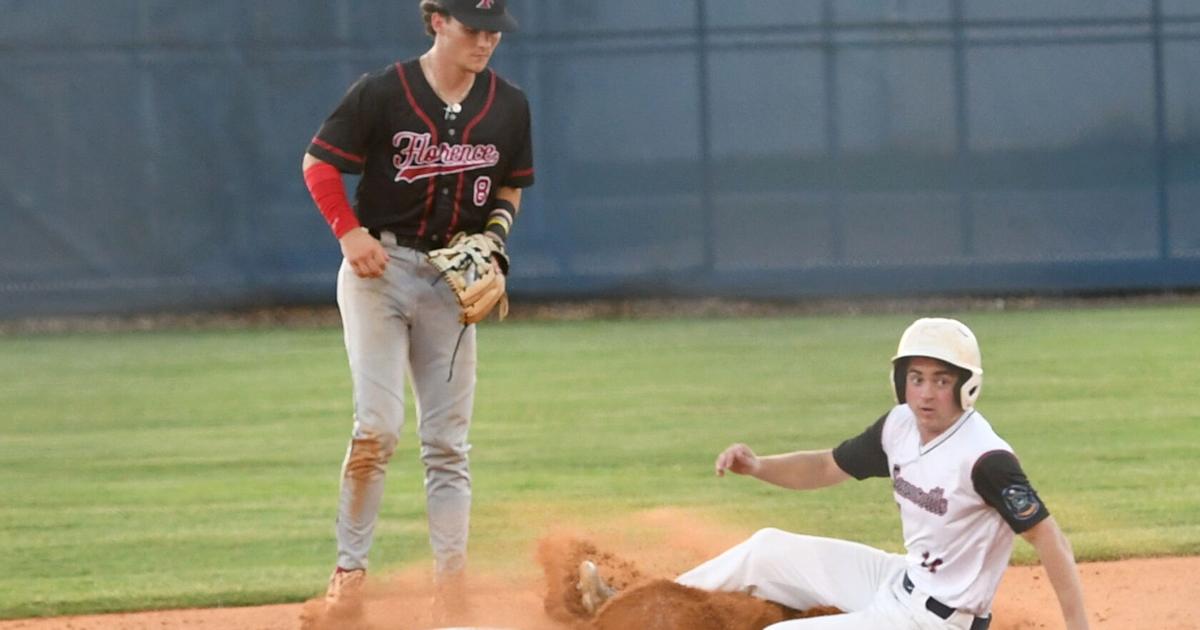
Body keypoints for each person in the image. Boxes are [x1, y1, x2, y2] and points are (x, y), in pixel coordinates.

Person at [578, 318, 1090, 630]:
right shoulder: (899, 428)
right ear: (900, 381)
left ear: (966, 388)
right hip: (902, 581)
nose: (926, 392)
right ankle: (633, 608)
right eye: (916, 378)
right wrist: (758, 467)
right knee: (766, 548)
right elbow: (825, 465)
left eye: (941, 380)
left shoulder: (986, 459)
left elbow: (1052, 543)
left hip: (937, 621)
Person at [299, 0, 533, 624]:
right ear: (436, 21)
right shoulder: (384, 91)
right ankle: (349, 574)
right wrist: (349, 233)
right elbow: (319, 163)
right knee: (378, 428)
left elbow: (510, 181)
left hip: (454, 280)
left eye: (493, 31)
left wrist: (496, 236)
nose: (485, 41)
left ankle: (450, 586)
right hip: (380, 272)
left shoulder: (508, 104)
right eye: (471, 28)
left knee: (447, 444)